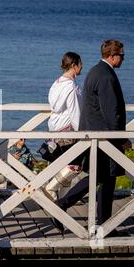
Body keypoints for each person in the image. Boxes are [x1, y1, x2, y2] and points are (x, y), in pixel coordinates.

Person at [52, 40, 132, 235]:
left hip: (97, 135)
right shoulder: (105, 76)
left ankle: (95, 220)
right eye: (122, 55)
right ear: (113, 56)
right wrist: (121, 139)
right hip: (105, 137)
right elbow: (111, 112)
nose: (123, 58)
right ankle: (100, 223)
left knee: (101, 177)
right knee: (105, 177)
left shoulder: (95, 71)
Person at [44, 52, 84, 200]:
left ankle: (58, 202)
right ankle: (51, 188)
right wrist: (83, 133)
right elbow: (75, 112)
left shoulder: (57, 83)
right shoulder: (72, 87)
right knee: (77, 165)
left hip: (54, 129)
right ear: (74, 66)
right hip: (67, 131)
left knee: (60, 167)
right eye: (80, 64)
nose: (82, 67)